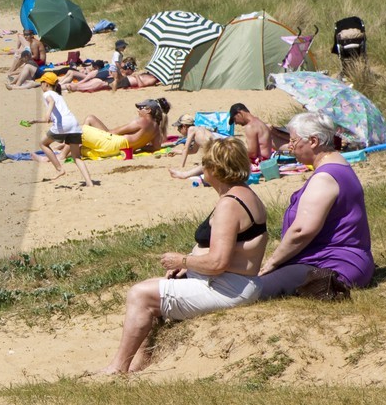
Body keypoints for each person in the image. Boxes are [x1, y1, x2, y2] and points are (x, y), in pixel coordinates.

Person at [100, 138, 268, 373]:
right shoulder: (243, 193)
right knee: (156, 286)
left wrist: (184, 261)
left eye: (204, 165)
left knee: (140, 295)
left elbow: (219, 262)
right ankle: (137, 365)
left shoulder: (230, 205)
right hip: (235, 283)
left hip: (228, 288)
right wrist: (190, 268)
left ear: (214, 169)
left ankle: (118, 368)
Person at [255, 112, 374, 298]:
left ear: (313, 141)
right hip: (345, 259)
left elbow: (302, 231)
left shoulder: (324, 178)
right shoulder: (338, 164)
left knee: (252, 290)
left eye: (294, 141)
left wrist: (273, 262)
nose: (291, 147)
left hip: (332, 263)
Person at [29, 73, 94, 186]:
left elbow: (51, 103)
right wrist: (36, 121)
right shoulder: (59, 95)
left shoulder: (47, 94)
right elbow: (50, 118)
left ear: (46, 84)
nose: (41, 86)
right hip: (73, 124)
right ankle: (89, 182)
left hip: (63, 125)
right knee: (76, 157)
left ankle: (59, 169)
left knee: (43, 144)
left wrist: (47, 114)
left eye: (41, 83)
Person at [81, 98, 170, 158]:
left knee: (78, 130)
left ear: (148, 110)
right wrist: (141, 147)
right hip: (116, 151)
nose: (138, 110)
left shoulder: (142, 121)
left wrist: (100, 132)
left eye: (140, 108)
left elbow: (113, 133)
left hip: (112, 144)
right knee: (90, 118)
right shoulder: (157, 129)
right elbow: (156, 147)